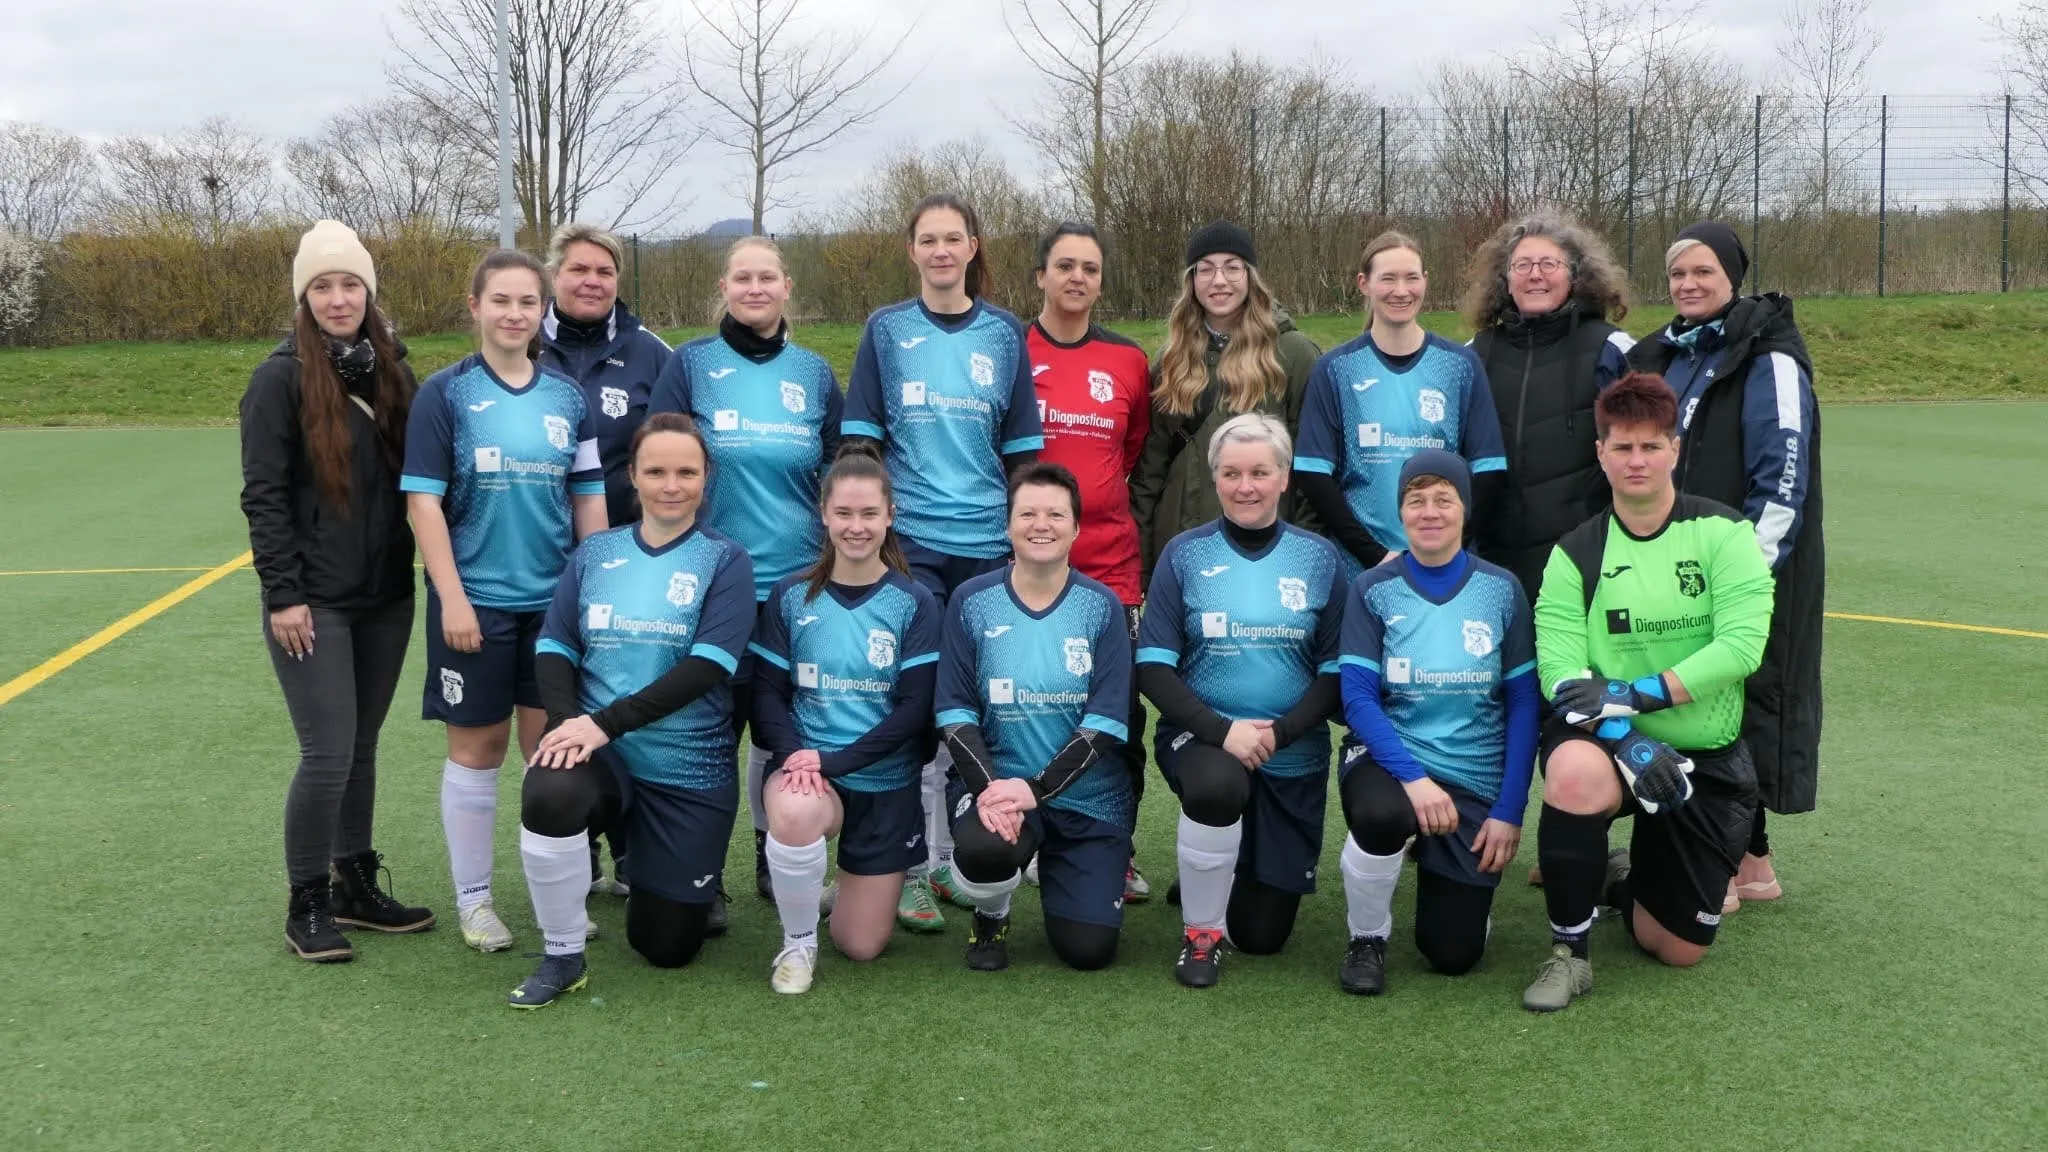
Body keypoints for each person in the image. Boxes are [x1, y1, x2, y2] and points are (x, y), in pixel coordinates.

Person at [1520, 372, 1774, 1013]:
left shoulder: (1724, 534)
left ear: (1674, 450)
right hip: (1608, 745)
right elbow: (1561, 676)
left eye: (1651, 446)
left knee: (1676, 948)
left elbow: (1741, 648)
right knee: (1573, 773)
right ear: (1600, 453)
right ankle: (1569, 953)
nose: (1637, 460)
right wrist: (1625, 737)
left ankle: (1618, 878)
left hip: (1702, 755)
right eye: (1623, 447)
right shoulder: (1574, 554)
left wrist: (1635, 695)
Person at [841, 192, 1044, 932]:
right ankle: (913, 869)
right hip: (915, 547)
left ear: (972, 246)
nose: (941, 251)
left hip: (988, 546)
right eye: (928, 239)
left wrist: (1023, 538)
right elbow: (861, 444)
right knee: (919, 705)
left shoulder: (1005, 332)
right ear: (912, 251)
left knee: (980, 705)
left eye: (953, 238)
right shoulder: (886, 329)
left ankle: (971, 855)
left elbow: (1022, 453)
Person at [400, 248, 609, 953]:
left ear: (541, 311)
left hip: (552, 607)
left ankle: (560, 899)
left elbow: (588, 499)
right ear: (475, 307)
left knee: (551, 750)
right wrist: (452, 599)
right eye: (501, 301)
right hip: (476, 604)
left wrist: (591, 593)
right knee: (477, 748)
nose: (514, 314)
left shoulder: (567, 397)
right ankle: (475, 901)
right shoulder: (446, 394)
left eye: (527, 302)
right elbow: (423, 505)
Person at [510, 412, 756, 1007]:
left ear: (706, 477)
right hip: (605, 756)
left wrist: (602, 723)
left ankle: (643, 858)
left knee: (666, 946)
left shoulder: (726, 560)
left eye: (686, 473)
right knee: (551, 787)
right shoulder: (597, 553)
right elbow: (555, 646)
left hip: (686, 772)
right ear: (633, 476)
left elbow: (708, 667)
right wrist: (568, 725)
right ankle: (562, 954)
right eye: (656, 472)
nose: (671, 485)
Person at [241, 219, 434, 962]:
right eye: (322, 286)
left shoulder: (394, 372)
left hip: (385, 595)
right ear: (305, 297)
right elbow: (264, 496)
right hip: (313, 599)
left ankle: (354, 881)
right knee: (326, 752)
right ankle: (307, 901)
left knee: (362, 747)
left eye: (350, 283)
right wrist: (283, 594)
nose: (338, 298)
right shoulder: (279, 379)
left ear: (369, 292)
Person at [1628, 221, 1822, 910]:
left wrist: (1747, 577)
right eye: (1678, 273)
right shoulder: (1667, 352)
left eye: (1703, 272)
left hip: (1748, 572)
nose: (1688, 284)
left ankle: (1738, 857)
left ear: (1732, 278)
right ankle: (1744, 859)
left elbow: (1783, 479)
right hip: (1682, 568)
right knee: (1701, 703)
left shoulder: (1768, 357)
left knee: (1743, 704)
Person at [648, 236, 841, 915]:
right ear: (724, 288)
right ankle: (701, 876)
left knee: (779, 730)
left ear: (787, 286)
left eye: (766, 277)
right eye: (741, 278)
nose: (754, 288)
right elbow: (662, 465)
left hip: (797, 589)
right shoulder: (692, 364)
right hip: (711, 588)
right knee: (709, 733)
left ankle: (772, 857)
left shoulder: (814, 373)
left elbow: (840, 475)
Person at [1137, 414, 1344, 987]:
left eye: (1259, 472)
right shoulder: (1184, 554)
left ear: (1284, 477)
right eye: (1231, 473)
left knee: (1261, 937)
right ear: (1215, 478)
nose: (1245, 486)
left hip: (1290, 750)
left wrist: (1279, 733)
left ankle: (1218, 867)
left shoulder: (1319, 558)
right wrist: (1223, 730)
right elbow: (1152, 666)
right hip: (1204, 738)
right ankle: (1200, 934)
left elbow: (1336, 673)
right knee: (1217, 786)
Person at [1335, 450, 1540, 995]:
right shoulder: (1372, 587)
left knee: (1452, 954)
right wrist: (1414, 779)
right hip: (1391, 763)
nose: (1429, 512)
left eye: (1443, 499)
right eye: (1416, 500)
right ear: (1400, 511)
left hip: (1473, 773)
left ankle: (1450, 879)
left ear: (1465, 509)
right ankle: (1367, 937)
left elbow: (1523, 703)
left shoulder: (1501, 589)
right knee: (1381, 815)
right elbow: (1357, 698)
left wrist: (1509, 810)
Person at [745, 447, 942, 993]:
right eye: (845, 513)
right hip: (812, 777)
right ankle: (798, 944)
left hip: (883, 782)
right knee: (795, 810)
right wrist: (797, 757)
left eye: (869, 514)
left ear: (890, 516)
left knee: (860, 944)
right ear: (824, 515)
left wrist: (833, 760)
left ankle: (838, 889)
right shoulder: (791, 595)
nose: (857, 527)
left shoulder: (915, 602)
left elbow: (913, 711)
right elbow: (768, 693)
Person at [934, 463, 1134, 972]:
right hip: (998, 788)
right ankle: (991, 914)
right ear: (1008, 525)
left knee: (1087, 950)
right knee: (986, 850)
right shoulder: (971, 601)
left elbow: (1107, 721)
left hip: (1088, 798)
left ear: (1076, 527)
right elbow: (955, 713)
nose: (1041, 524)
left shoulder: (1103, 606)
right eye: (1027, 514)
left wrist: (1038, 789)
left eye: (1055, 515)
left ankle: (1069, 873)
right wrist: (992, 791)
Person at [539, 222, 672, 900]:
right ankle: (574, 841)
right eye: (579, 269)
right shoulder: (521, 344)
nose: (592, 281)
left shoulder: (652, 353)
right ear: (554, 275)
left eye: (605, 271)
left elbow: (678, 451)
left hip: (635, 565)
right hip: (540, 565)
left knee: (626, 698)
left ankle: (632, 847)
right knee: (556, 701)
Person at [1023, 221, 1153, 904]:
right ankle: (1024, 835)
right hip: (1029, 570)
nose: (1077, 277)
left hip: (1110, 569)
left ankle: (1116, 847)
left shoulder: (1128, 360)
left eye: (1090, 268)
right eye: (1065, 265)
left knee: (1118, 717)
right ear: (1040, 275)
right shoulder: (1013, 349)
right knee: (1028, 706)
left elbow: (1129, 454)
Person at [1294, 231, 1506, 578]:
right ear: (1364, 284)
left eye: (1411, 277)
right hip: (1361, 568)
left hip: (1445, 565)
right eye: (1388, 278)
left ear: (1425, 281)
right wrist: (1374, 555)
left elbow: (1489, 469)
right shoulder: (1335, 369)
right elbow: (1313, 474)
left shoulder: (1460, 366)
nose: (1401, 290)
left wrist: (1446, 549)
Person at [1130, 220, 1320, 586]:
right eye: (1205, 269)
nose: (1219, 280)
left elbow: (1312, 468)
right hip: (1183, 547)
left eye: (1232, 267)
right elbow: (1149, 472)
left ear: (1250, 276)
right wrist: (1142, 565)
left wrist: (1304, 555)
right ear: (1192, 281)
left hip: (1268, 551)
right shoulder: (1171, 359)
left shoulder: (1292, 355)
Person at [1461, 211, 1637, 600]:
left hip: (1585, 564)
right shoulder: (1475, 355)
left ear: (1575, 275)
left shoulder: (1611, 350)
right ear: (1506, 280)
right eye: (1522, 265)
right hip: (1491, 565)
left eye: (1548, 264)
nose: (1535, 275)